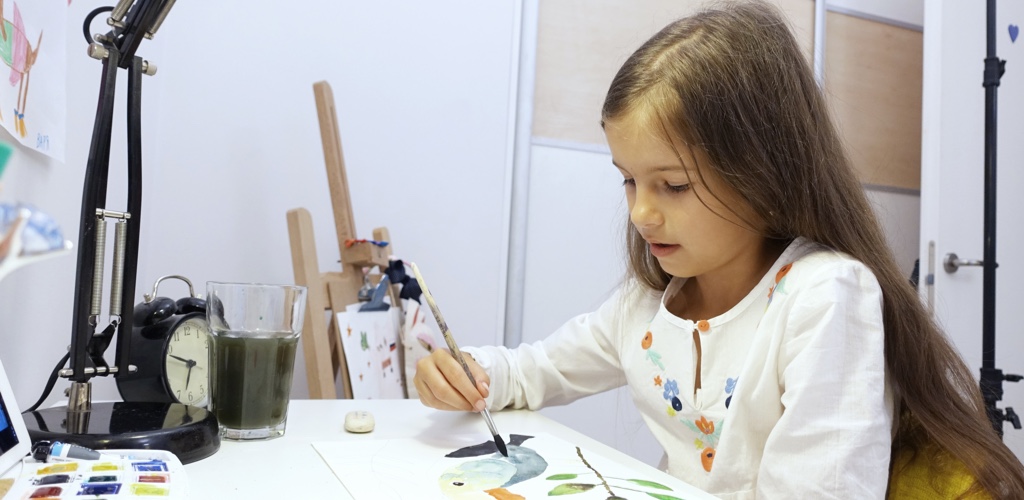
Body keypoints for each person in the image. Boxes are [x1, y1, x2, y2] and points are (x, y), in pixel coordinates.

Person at [413, 1, 1024, 498]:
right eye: (629, 181)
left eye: (673, 185)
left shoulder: (824, 297)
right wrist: (471, 374)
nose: (640, 212)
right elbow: (533, 371)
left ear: (762, 172)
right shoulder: (645, 307)